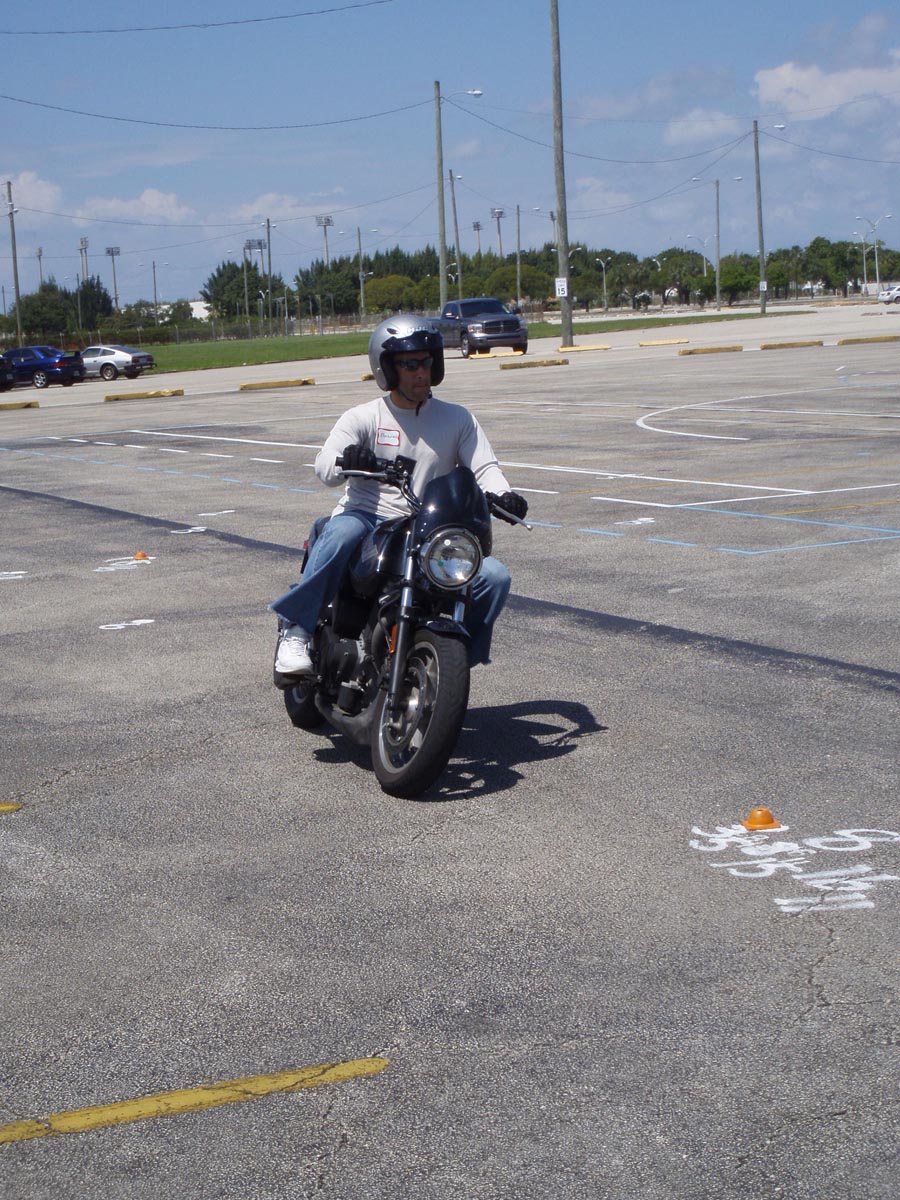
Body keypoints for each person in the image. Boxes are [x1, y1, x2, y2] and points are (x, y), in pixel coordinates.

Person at [271, 314, 528, 675]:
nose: (421, 372)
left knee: (494, 576)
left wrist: (504, 495)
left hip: (426, 527)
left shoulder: (458, 419)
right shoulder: (363, 417)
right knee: (341, 533)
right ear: (387, 369)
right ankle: (296, 629)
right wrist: (348, 460)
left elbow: (484, 469)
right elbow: (325, 466)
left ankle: (451, 665)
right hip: (366, 517)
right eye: (409, 365)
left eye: (426, 362)